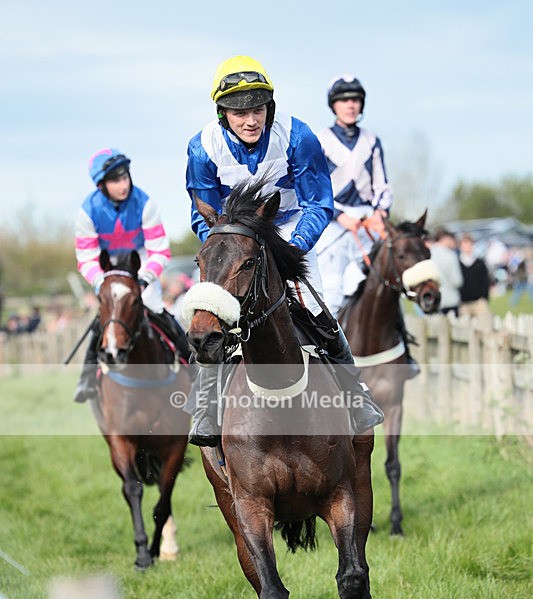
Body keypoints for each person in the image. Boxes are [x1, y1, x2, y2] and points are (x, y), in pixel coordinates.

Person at [185, 55, 384, 446]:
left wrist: (291, 249)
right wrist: (230, 246)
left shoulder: (298, 136)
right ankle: (206, 408)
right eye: (239, 113)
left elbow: (319, 202)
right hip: (233, 237)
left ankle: (355, 395)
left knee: (316, 306)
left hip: (289, 227)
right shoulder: (201, 147)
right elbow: (202, 214)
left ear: (269, 107)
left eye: (258, 109)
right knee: (208, 315)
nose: (251, 121)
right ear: (222, 114)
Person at [315, 74, 419, 377]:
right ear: (334, 105)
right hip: (333, 221)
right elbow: (315, 187)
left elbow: (382, 186)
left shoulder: (372, 141)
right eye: (344, 99)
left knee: (388, 281)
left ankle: (404, 353)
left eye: (355, 99)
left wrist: (379, 213)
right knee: (332, 289)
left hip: (369, 222)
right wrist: (338, 214)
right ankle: (325, 361)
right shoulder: (320, 140)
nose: (350, 105)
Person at [73, 148, 189, 402]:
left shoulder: (144, 202)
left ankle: (191, 365)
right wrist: (100, 282)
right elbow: (86, 258)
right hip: (107, 264)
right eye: (116, 180)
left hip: (140, 258)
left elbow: (159, 250)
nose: (123, 184)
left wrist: (145, 278)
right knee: (106, 314)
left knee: (155, 306)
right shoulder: (87, 211)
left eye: (125, 177)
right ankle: (87, 379)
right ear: (101, 184)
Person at [430, 229, 463, 317]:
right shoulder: (450, 255)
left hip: (433, 300)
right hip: (450, 300)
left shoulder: (428, 254)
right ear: (446, 239)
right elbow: (457, 281)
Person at [458, 235, 491, 322]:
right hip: (463, 303)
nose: (467, 247)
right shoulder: (457, 264)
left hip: (479, 301)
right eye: (465, 244)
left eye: (469, 244)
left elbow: (485, 282)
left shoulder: (480, 263)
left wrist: (484, 297)